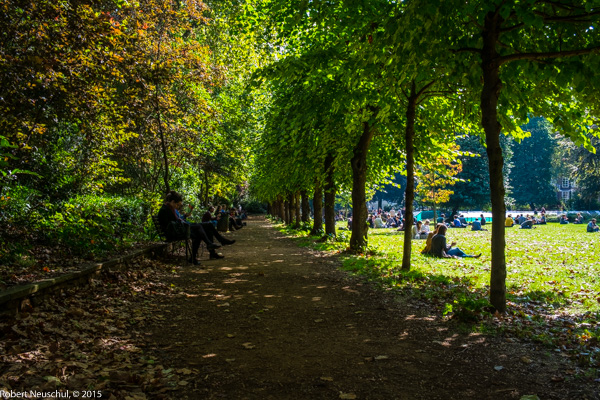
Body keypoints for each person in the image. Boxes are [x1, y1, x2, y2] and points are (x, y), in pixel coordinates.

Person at [158, 191, 235, 265]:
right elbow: (174, 224)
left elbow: (178, 220)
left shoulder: (171, 209)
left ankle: (215, 245)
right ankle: (210, 246)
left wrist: (185, 216)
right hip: (177, 232)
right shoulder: (165, 210)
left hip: (182, 228)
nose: (177, 207)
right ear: (172, 202)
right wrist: (183, 220)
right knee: (199, 229)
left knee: (209, 225)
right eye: (177, 205)